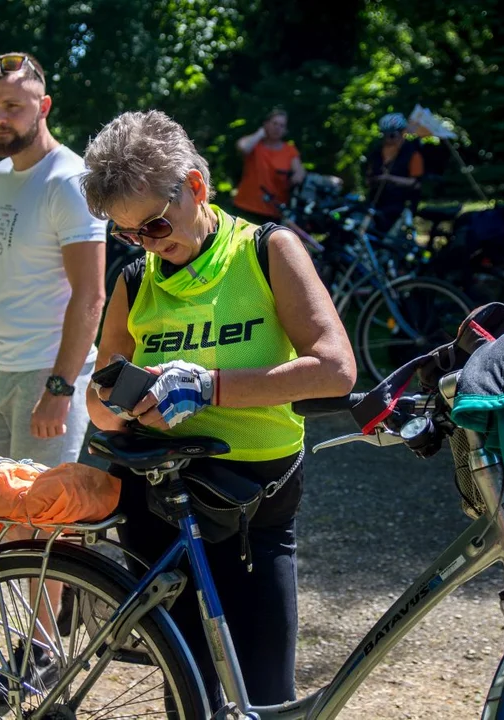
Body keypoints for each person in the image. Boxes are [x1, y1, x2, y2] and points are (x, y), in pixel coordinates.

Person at [81, 109, 356, 709]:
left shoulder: (266, 250)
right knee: (193, 695)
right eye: (127, 234)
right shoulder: (136, 278)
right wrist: (125, 405)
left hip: (258, 496)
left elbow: (335, 370)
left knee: (268, 696)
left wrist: (207, 387)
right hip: (161, 493)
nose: (148, 244)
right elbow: (97, 399)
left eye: (154, 224)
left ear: (197, 187)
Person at [0, 52, 106, 699]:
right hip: (2, 368)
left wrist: (62, 386)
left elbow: (90, 297)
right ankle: (48, 616)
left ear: (43, 107)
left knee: (40, 517)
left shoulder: (71, 180)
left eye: (12, 106)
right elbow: (12, 281)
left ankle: (40, 653)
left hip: (50, 370)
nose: (0, 118)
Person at [232, 108, 306, 224]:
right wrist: (260, 133)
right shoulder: (254, 145)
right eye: (274, 123)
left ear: (285, 130)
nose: (277, 128)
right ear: (266, 124)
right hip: (245, 206)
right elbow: (243, 148)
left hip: (273, 211)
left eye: (281, 125)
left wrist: (295, 179)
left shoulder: (290, 151)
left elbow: (300, 172)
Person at [365, 112, 424, 232]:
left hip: (401, 203)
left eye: (392, 135)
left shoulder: (412, 153)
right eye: (385, 135)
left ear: (402, 133)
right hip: (377, 202)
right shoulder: (376, 153)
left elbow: (415, 182)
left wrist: (389, 178)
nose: (388, 138)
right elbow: (368, 177)